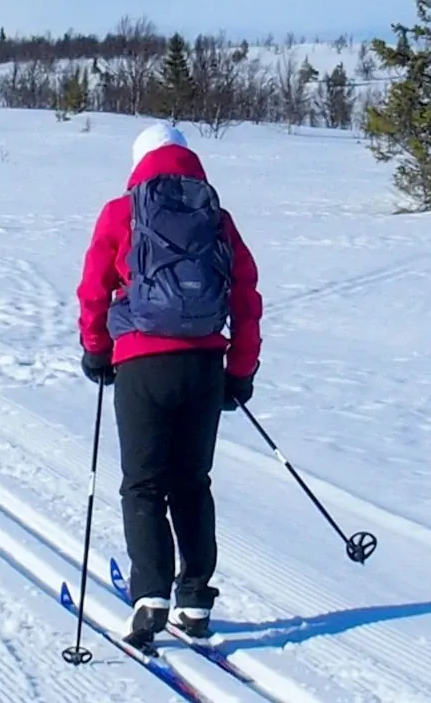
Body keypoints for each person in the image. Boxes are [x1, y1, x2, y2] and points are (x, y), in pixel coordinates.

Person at [75, 122, 262, 649]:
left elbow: (94, 288)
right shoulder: (217, 219)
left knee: (142, 483)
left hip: (141, 365)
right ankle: (196, 600)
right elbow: (246, 296)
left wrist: (96, 349)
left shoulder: (121, 212)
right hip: (204, 365)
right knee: (191, 481)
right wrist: (240, 371)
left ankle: (151, 595)